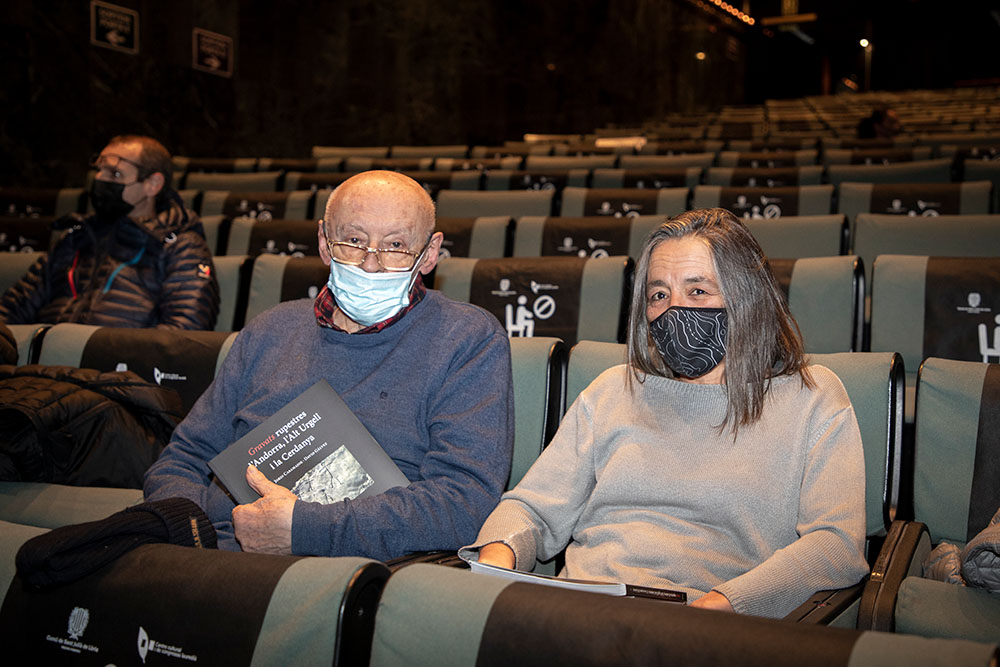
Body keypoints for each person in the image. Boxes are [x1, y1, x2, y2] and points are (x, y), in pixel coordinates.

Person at [461, 208, 868, 619]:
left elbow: (835, 544)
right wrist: (497, 559)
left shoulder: (811, 397)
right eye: (659, 295)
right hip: (579, 608)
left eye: (698, 291)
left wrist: (727, 603)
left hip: (704, 621)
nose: (674, 310)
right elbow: (532, 508)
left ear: (746, 297)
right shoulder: (612, 390)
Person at [143, 170, 514, 559]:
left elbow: (464, 502)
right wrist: (192, 534)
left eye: (396, 245)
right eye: (353, 241)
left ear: (430, 253)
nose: (371, 264)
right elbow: (183, 458)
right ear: (323, 242)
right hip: (211, 550)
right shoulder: (270, 329)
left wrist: (305, 530)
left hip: (356, 566)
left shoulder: (467, 338)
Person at [0, 135, 219, 329]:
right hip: (45, 360)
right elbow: (13, 307)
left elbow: (185, 331)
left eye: (114, 174)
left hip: (119, 363)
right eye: (99, 171)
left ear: (153, 184)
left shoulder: (181, 245)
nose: (99, 180)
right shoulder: (76, 237)